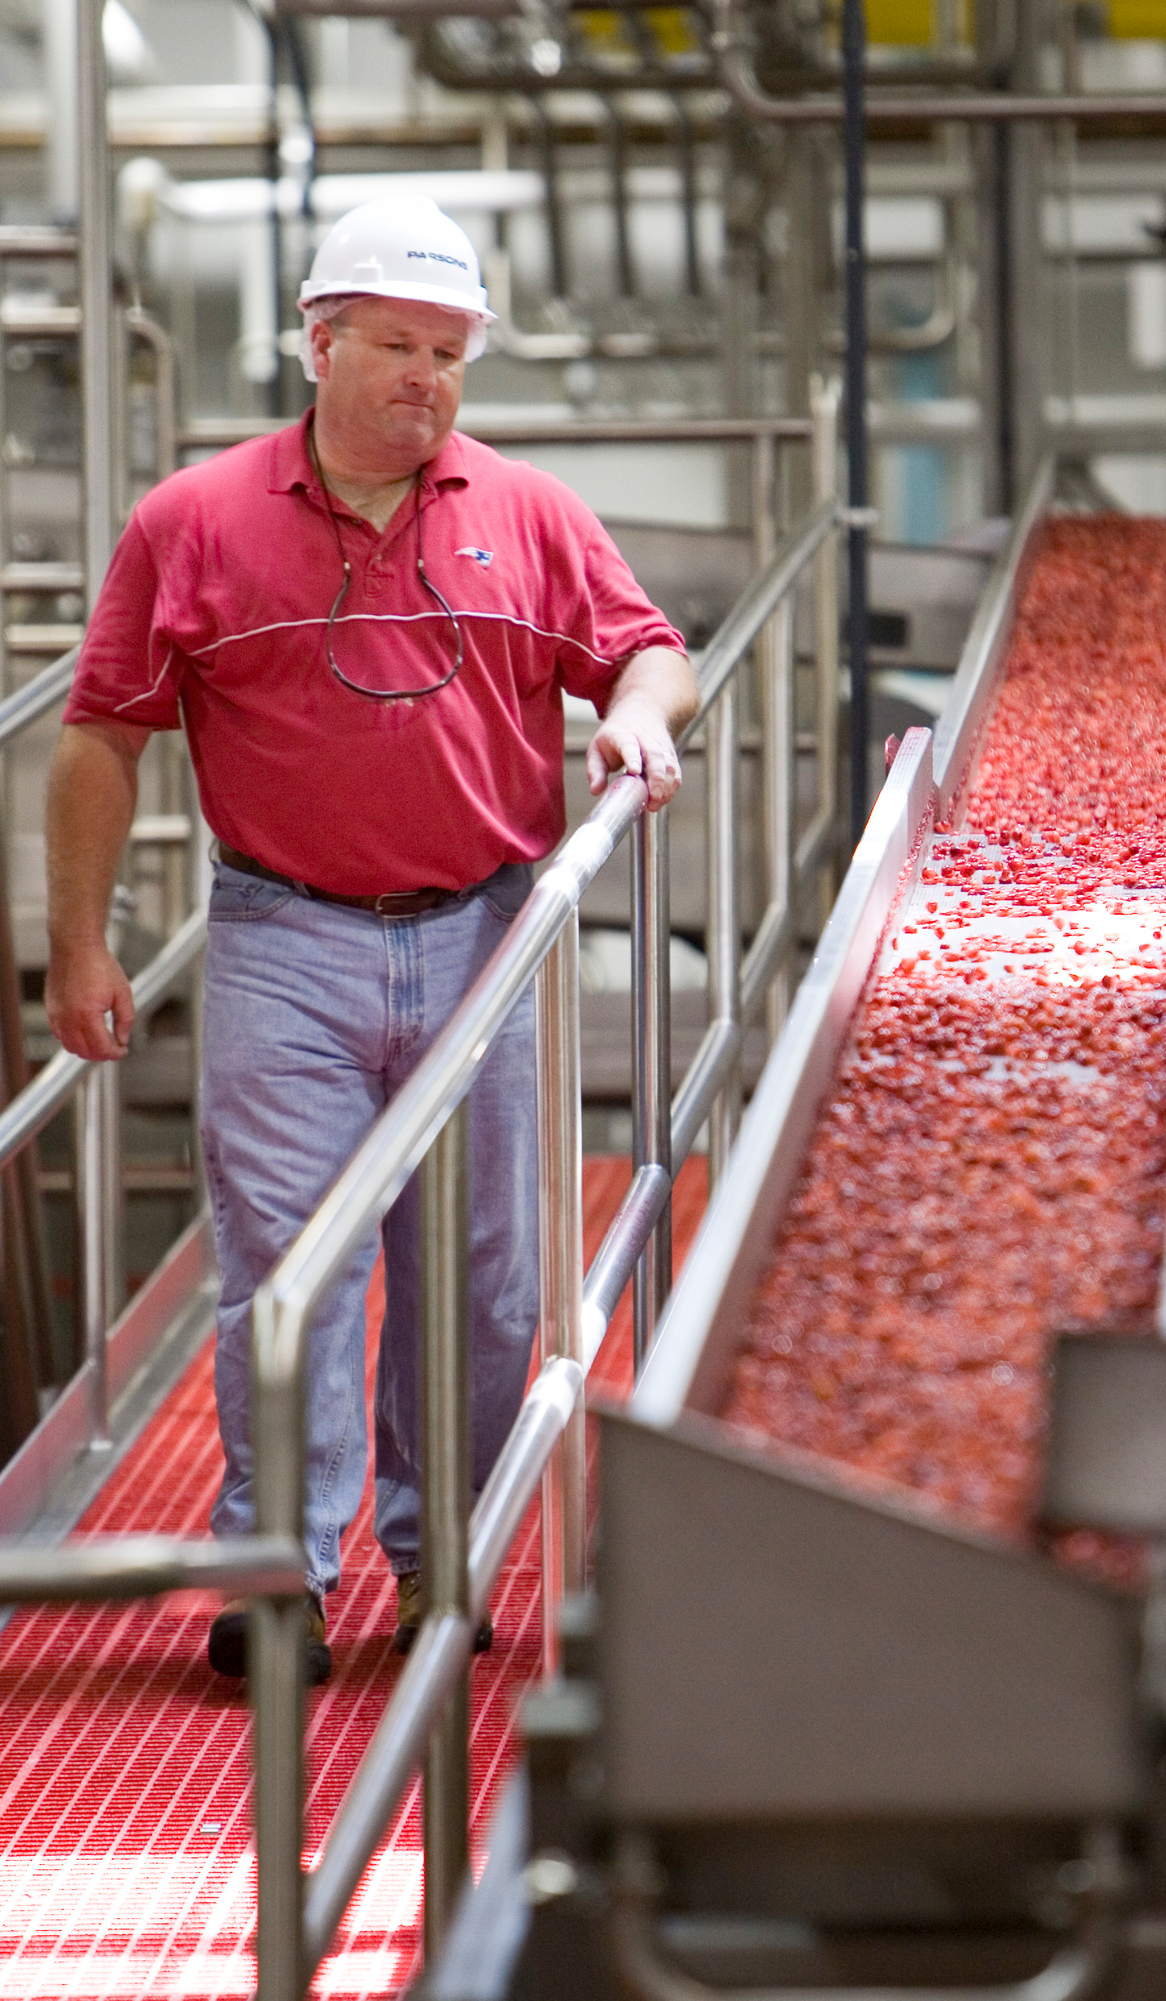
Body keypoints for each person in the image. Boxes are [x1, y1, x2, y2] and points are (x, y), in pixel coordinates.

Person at [45, 194, 696, 1684]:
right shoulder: (193, 525)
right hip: (287, 941)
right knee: (289, 1267)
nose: (428, 378)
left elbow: (648, 652)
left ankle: (436, 1565)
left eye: (452, 353)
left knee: (484, 1281)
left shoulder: (529, 515)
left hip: (485, 935)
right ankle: (280, 1574)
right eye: (397, 345)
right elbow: (101, 737)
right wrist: (81, 945)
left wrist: (641, 720)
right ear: (318, 342)